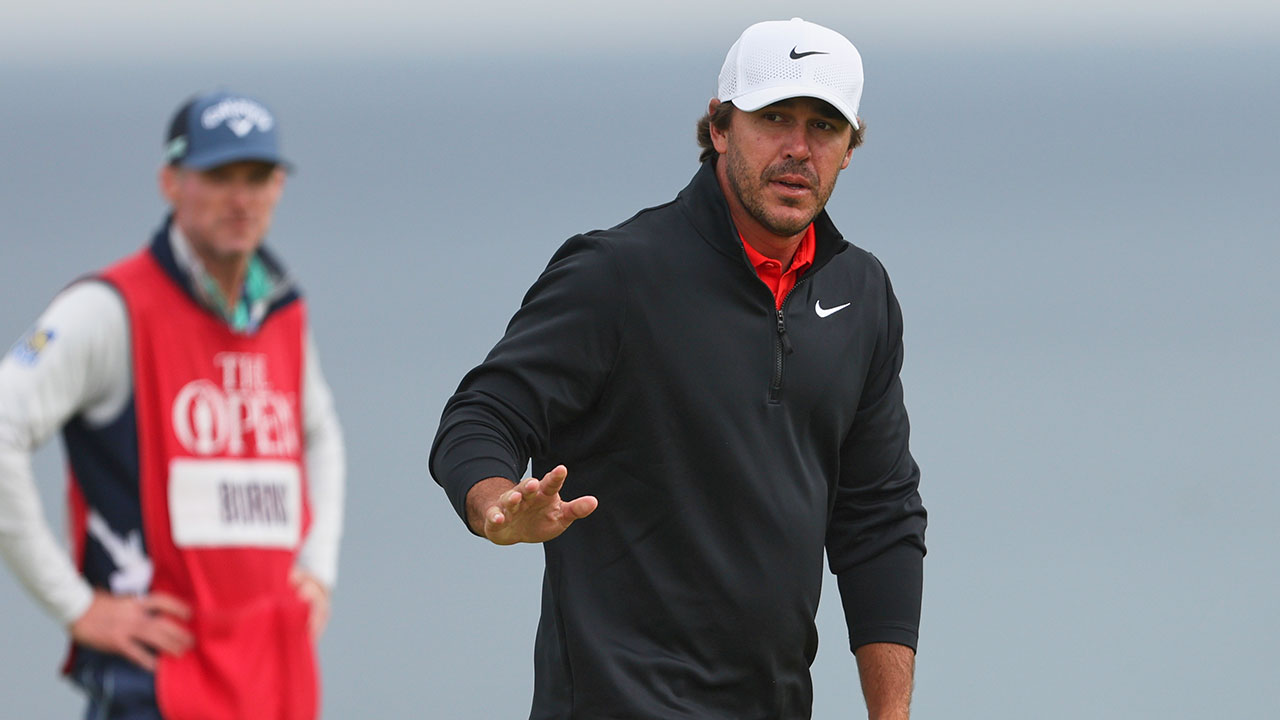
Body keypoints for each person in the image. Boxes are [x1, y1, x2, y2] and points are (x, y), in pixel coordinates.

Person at [430, 17, 927, 720]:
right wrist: (494, 506)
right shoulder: (617, 273)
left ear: (850, 149)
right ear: (720, 127)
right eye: (774, 117)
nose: (798, 147)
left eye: (823, 126)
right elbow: (482, 414)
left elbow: (878, 517)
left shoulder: (861, 293)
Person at [0, 90, 345, 720]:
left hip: (275, 682)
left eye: (257, 177)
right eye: (218, 176)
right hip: (157, 688)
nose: (240, 198)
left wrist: (317, 567)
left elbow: (320, 432)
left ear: (278, 187)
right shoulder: (109, 309)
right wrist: (76, 607)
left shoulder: (282, 310)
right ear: (171, 182)